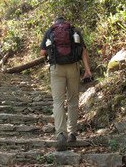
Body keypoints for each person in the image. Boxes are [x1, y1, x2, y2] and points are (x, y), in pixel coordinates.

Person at [40, 16, 92, 151]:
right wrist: (87, 71)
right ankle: (72, 133)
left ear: (55, 22)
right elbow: (83, 52)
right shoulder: (74, 31)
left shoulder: (50, 31)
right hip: (73, 67)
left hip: (56, 68)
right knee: (73, 100)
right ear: (65, 22)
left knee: (58, 102)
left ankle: (61, 133)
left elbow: (42, 52)